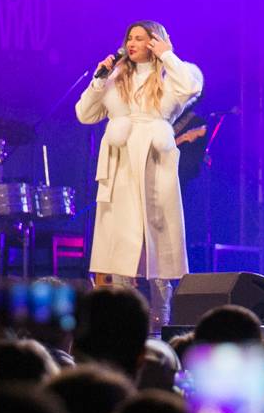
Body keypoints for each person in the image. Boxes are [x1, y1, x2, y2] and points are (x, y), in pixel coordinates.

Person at [74, 21, 204, 319]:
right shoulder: (115, 76)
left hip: (154, 164)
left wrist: (167, 54)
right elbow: (84, 114)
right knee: (119, 239)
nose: (131, 44)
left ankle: (161, 315)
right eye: (129, 38)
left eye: (139, 38)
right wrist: (98, 80)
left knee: (158, 237)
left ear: (154, 42)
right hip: (120, 165)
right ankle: (123, 314)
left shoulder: (170, 75)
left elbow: (191, 86)